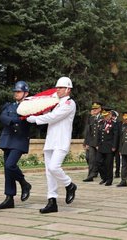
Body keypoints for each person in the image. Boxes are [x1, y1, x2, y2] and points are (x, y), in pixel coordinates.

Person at [27, 77, 77, 213]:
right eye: (57, 88)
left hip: (61, 140)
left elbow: (53, 117)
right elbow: (48, 114)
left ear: (68, 89)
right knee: (49, 172)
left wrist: (35, 119)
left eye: (61, 88)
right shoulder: (55, 103)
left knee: (54, 167)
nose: (58, 90)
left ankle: (69, 184)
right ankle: (52, 201)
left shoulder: (69, 103)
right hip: (50, 141)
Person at [0, 81, 32, 209]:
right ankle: (9, 198)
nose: (16, 93)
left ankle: (24, 183)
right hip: (7, 140)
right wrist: (14, 120)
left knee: (10, 165)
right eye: (15, 91)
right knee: (7, 169)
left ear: (26, 93)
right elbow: (2, 117)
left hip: (19, 140)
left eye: (19, 91)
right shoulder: (9, 106)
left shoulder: (30, 107)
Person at [96, 107, 119, 186]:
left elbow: (115, 136)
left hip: (109, 146)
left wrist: (114, 146)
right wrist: (97, 144)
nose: (105, 117)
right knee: (98, 162)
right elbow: (98, 134)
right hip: (101, 146)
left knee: (108, 164)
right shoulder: (101, 122)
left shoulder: (114, 123)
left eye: (107, 115)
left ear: (110, 115)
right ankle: (104, 177)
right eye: (104, 115)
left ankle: (109, 179)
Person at [82, 101, 102, 182]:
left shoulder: (102, 118)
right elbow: (88, 131)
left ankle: (96, 172)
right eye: (93, 109)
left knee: (99, 160)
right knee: (89, 158)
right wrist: (86, 142)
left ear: (100, 109)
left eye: (96, 109)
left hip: (99, 143)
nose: (94, 110)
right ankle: (91, 175)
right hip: (91, 142)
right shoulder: (91, 118)